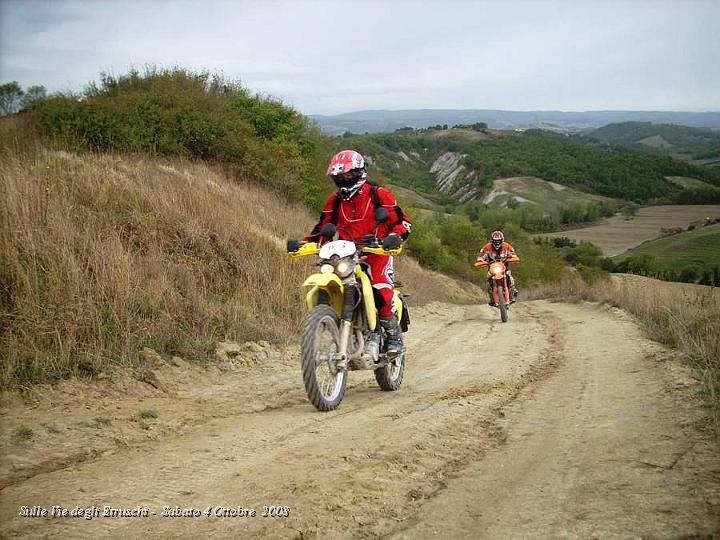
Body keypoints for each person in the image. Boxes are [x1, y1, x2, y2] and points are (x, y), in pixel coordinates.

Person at [303, 150, 412, 355]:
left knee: (379, 287)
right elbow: (323, 228)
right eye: (338, 177)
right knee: (329, 285)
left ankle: (392, 335)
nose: (342, 180)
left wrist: (395, 237)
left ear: (359, 172)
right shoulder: (335, 201)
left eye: (346, 175)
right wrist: (304, 244)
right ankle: (331, 323)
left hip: (376, 252)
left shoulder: (379, 194)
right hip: (345, 255)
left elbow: (402, 222)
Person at [476, 230, 519, 305]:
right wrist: (480, 260)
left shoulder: (506, 246)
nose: (497, 242)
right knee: (488, 281)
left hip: (504, 267)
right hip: (492, 268)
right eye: (495, 241)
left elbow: (513, 254)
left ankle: (512, 292)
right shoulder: (487, 247)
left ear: (502, 240)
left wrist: (512, 257)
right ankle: (491, 298)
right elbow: (481, 256)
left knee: (510, 277)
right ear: (492, 240)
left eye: (499, 241)